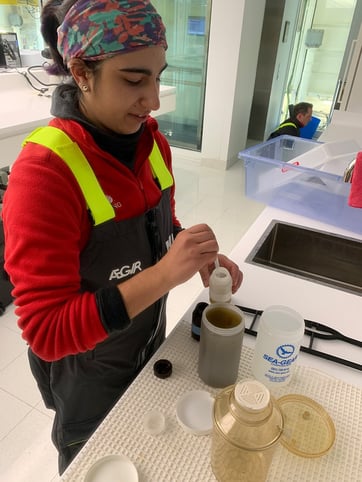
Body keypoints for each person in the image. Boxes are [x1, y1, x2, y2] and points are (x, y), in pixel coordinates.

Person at [2, 0, 243, 475]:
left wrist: (187, 250)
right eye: (134, 80)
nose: (153, 99)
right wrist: (161, 275)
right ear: (81, 73)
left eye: (157, 76)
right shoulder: (44, 173)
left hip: (148, 340)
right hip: (86, 376)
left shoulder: (152, 142)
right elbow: (47, 332)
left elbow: (158, 224)